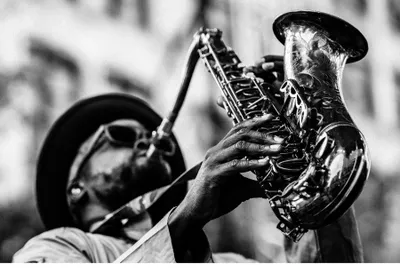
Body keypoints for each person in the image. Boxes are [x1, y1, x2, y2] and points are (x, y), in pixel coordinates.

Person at [12, 56, 363, 263]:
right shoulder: (57, 247)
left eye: (159, 143)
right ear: (77, 188)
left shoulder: (233, 264)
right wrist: (181, 224)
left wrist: (315, 162)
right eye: (120, 136)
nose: (150, 140)